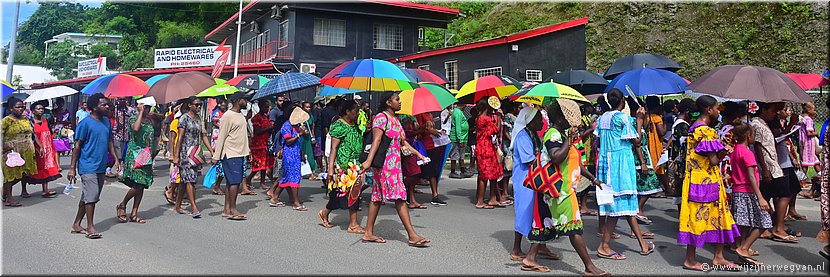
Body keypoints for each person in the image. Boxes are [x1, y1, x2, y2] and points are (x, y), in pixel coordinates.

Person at [518, 99, 609, 275]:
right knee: (573, 227)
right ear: (560, 119)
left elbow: (573, 159)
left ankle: (530, 258)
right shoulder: (553, 134)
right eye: (569, 118)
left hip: (560, 189)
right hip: (559, 190)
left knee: (547, 222)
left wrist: (593, 179)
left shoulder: (561, 134)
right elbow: (557, 157)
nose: (572, 122)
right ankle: (589, 267)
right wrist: (569, 140)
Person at [678, 95, 740, 271]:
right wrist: (724, 151)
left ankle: (711, 257)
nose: (717, 113)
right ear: (708, 110)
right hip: (706, 179)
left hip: (694, 179)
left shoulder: (693, 128)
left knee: (700, 217)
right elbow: (713, 160)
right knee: (709, 215)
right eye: (715, 109)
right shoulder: (707, 131)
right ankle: (695, 259)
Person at [360, 92, 430, 246]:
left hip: (395, 165)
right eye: (397, 99)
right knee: (399, 197)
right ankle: (412, 235)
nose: (400, 102)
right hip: (385, 165)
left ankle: (368, 233)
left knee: (377, 197)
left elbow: (403, 143)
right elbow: (376, 140)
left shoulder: (396, 120)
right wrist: (368, 161)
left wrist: (419, 155)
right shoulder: (381, 118)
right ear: (388, 102)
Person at [595, 89, 653, 260]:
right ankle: (604, 245)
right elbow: (637, 141)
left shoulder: (602, 118)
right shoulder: (622, 118)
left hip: (606, 163)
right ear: (622, 101)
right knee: (617, 205)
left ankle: (643, 244)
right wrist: (640, 120)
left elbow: (599, 140)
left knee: (623, 204)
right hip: (620, 163)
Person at [68, 94, 121, 239]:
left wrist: (116, 159)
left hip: (101, 165)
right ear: (94, 108)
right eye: (104, 105)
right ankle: (90, 226)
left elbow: (109, 141)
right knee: (92, 197)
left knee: (88, 196)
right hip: (87, 165)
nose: (107, 107)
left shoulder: (106, 122)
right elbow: (77, 146)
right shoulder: (85, 124)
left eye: (108, 105)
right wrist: (72, 168)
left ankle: (76, 224)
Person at [751, 102, 799, 243]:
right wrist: (764, 168)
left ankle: (765, 227)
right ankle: (778, 227)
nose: (775, 113)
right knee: (784, 193)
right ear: (764, 110)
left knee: (767, 194)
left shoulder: (764, 123)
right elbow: (758, 147)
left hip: (772, 163)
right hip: (769, 166)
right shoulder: (757, 124)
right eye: (772, 110)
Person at [728, 122, 772, 266]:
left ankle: (742, 252)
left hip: (738, 191)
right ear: (748, 136)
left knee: (744, 224)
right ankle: (744, 248)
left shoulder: (736, 151)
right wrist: (760, 197)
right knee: (765, 220)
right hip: (747, 191)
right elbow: (752, 176)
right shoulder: (747, 153)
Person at [319, 99, 365, 232]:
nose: (357, 114)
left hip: (355, 165)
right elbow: (334, 148)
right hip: (344, 167)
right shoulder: (339, 125)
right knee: (348, 194)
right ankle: (353, 224)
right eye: (356, 111)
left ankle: (325, 213)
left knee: (345, 194)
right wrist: (330, 169)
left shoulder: (355, 125)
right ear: (347, 112)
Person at [172, 97, 213, 218]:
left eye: (200, 105)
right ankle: (194, 207)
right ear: (190, 105)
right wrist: (175, 155)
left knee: (185, 181)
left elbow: (204, 135)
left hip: (195, 153)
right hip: (185, 153)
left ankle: (177, 206)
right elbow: (179, 138)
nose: (199, 107)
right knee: (190, 179)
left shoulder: (200, 119)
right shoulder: (184, 118)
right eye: (196, 105)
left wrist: (211, 151)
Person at [116, 102, 155, 224]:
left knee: (142, 184)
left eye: (148, 107)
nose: (147, 110)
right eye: (145, 107)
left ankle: (134, 213)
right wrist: (140, 112)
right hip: (134, 153)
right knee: (137, 183)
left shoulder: (149, 121)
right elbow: (136, 128)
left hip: (146, 154)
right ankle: (122, 204)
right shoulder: (134, 118)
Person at [214, 93, 251, 220]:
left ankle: (227, 209)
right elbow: (222, 136)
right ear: (237, 100)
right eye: (244, 99)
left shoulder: (240, 115)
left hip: (240, 152)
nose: (246, 101)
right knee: (235, 182)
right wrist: (216, 156)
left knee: (231, 182)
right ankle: (233, 209)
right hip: (231, 153)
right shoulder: (227, 116)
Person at [628, 97, 661, 232]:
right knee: (650, 185)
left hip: (645, 158)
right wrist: (642, 162)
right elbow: (637, 142)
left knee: (643, 188)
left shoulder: (640, 121)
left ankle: (637, 214)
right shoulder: (634, 122)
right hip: (639, 160)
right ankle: (638, 211)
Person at [270, 107, 310, 211]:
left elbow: (300, 141)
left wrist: (304, 134)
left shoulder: (296, 126)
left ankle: (274, 198)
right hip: (289, 154)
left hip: (296, 154)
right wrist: (299, 135)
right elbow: (288, 141)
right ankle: (296, 203)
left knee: (286, 177)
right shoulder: (286, 126)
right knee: (293, 177)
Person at [2, 97, 38, 207]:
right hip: (11, 152)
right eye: (18, 107)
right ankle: (9, 198)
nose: (21, 109)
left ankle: (4, 191)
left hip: (26, 151)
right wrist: (4, 147)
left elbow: (31, 134)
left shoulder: (26, 119)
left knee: (23, 174)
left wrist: (36, 148)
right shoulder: (6, 121)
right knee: (10, 175)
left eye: (22, 107)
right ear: (11, 108)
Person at [474, 97, 506, 209]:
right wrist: (499, 116)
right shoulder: (485, 119)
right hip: (485, 147)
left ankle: (492, 199)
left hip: (484, 146)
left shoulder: (479, 118)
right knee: (485, 175)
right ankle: (480, 201)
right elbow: (496, 130)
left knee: (492, 174)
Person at [24, 101, 60, 198]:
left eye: (42, 109)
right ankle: (24, 190)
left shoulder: (45, 120)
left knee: (46, 168)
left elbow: (50, 133)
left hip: (47, 148)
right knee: (30, 170)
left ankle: (45, 190)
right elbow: (30, 136)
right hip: (35, 149)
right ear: (33, 111)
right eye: (38, 109)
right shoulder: (29, 122)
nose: (41, 110)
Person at [416, 110, 449, 206]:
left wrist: (435, 131)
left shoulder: (429, 114)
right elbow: (418, 128)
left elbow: (430, 128)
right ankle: (408, 192)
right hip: (424, 146)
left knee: (433, 171)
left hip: (434, 144)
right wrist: (430, 130)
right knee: (418, 172)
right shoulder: (419, 114)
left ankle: (435, 195)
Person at [247, 100, 276, 192]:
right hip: (258, 143)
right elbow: (258, 131)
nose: (267, 109)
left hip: (266, 142)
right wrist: (268, 128)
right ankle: (249, 178)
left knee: (265, 164)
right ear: (260, 107)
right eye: (265, 107)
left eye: (268, 107)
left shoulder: (267, 117)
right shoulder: (257, 118)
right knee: (258, 164)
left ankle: (262, 183)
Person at [399, 113, 426, 209]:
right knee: (414, 172)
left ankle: (412, 200)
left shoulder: (412, 118)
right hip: (404, 150)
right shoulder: (403, 117)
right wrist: (419, 131)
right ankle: (400, 189)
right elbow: (407, 134)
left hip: (411, 147)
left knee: (414, 174)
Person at [798, 102, 821, 199]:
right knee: (806, 163)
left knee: (816, 163)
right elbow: (809, 133)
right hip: (809, 144)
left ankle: (819, 179)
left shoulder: (801, 118)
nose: (815, 112)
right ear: (808, 110)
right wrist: (817, 133)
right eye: (814, 110)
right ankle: (799, 180)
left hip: (803, 143)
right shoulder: (809, 120)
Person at [644, 96, 666, 194]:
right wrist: (664, 123)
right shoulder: (657, 118)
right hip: (655, 146)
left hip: (646, 146)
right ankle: (665, 189)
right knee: (658, 168)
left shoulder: (645, 117)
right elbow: (661, 132)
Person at [449, 102, 471, 179]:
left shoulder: (459, 112)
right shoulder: (458, 113)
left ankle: (462, 170)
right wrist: (460, 139)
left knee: (461, 155)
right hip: (457, 138)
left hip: (462, 137)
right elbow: (458, 127)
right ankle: (452, 171)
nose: (465, 105)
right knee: (455, 155)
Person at [300, 101, 319, 179]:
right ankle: (301, 172)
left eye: (309, 107)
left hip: (308, 137)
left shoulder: (310, 116)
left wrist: (313, 136)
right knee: (301, 154)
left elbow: (312, 127)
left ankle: (311, 171)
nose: (308, 108)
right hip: (301, 137)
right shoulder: (300, 116)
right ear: (303, 108)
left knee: (310, 154)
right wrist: (303, 129)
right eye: (306, 107)